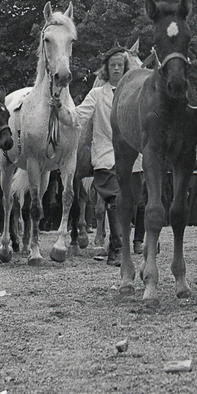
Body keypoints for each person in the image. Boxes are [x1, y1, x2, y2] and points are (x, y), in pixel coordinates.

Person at [74, 46, 128, 264]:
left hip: (131, 157)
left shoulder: (133, 93)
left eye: (120, 65)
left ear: (125, 68)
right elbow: (78, 115)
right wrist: (60, 111)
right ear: (106, 68)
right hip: (105, 154)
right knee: (114, 198)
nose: (116, 68)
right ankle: (119, 250)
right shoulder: (97, 95)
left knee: (127, 202)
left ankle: (116, 247)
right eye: (112, 65)